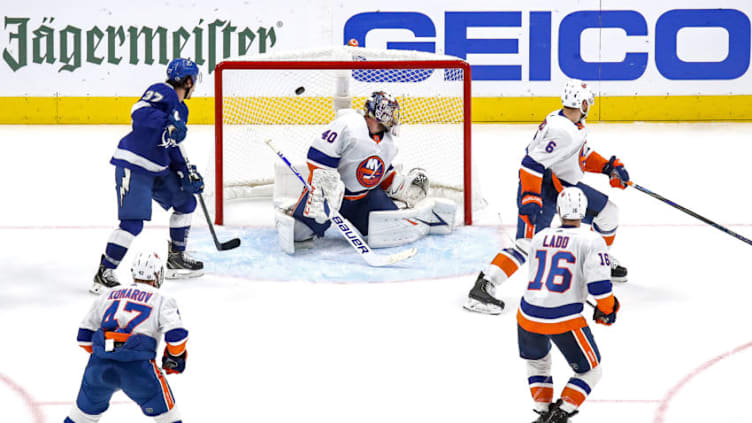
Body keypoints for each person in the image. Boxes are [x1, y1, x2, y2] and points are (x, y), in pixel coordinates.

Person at [464, 79, 630, 314]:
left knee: (608, 213)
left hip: (563, 186)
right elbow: (530, 164)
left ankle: (599, 265)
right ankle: (483, 287)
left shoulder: (570, 123)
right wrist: (531, 197)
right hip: (540, 189)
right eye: (587, 103)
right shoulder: (561, 131)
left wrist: (607, 167)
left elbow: (581, 154)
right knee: (527, 244)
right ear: (582, 104)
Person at [274, 90, 456, 253]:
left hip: (364, 200)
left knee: (393, 230)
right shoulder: (348, 125)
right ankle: (292, 211)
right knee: (297, 235)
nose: (394, 117)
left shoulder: (388, 144)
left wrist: (401, 187)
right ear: (380, 112)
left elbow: (382, 174)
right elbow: (317, 156)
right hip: (328, 198)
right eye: (391, 112)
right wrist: (327, 187)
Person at [91, 58, 205, 294]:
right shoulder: (162, 90)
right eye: (193, 81)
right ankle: (104, 273)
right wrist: (167, 123)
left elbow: (172, 145)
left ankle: (176, 259)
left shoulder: (182, 109)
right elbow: (138, 113)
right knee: (132, 223)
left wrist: (186, 171)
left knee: (186, 201)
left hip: (158, 167)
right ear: (187, 80)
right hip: (134, 164)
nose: (194, 85)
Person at [517, 187, 619, 423]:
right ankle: (560, 414)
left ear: (560, 210)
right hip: (562, 318)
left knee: (538, 362)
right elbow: (600, 288)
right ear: (584, 212)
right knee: (591, 370)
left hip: (527, 314)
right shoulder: (593, 240)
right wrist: (608, 308)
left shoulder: (541, 236)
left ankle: (543, 413)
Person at [66, 251, 189, 423]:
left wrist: (109, 354)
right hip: (139, 370)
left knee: (80, 419)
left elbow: (84, 337)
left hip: (99, 367)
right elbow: (176, 337)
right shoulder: (162, 299)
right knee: (169, 419)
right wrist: (175, 357)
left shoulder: (108, 294)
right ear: (158, 274)